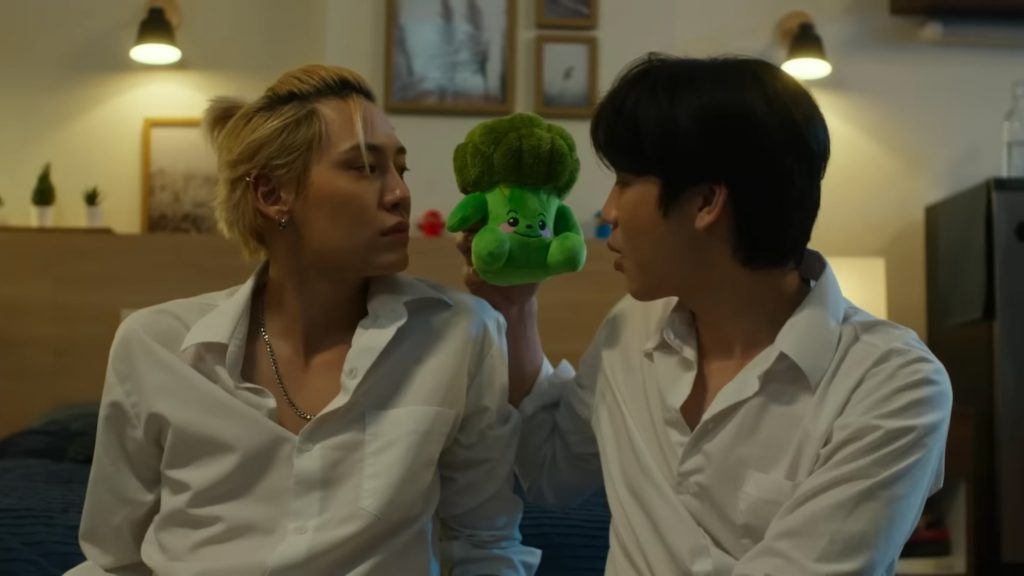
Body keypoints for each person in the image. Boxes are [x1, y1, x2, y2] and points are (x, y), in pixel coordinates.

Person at [459, 54, 953, 575]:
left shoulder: (892, 384)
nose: (608, 211)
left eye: (625, 180)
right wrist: (514, 306)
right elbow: (551, 472)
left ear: (706, 202)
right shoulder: (631, 328)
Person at [68, 64, 539, 576]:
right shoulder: (156, 346)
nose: (400, 194)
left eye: (400, 169)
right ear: (272, 195)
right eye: (365, 168)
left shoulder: (459, 334)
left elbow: (486, 542)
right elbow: (114, 559)